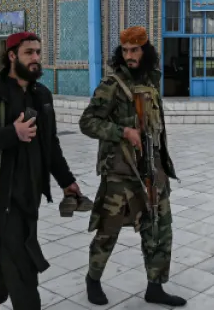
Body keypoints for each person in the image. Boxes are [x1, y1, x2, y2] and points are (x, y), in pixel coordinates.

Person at [0, 31, 88, 310]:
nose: (36, 59)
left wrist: (67, 183)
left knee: (5, 257)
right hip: (2, 199)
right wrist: (11, 133)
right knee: (23, 268)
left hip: (31, 197)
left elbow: (50, 145)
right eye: (29, 53)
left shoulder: (42, 95)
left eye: (39, 52)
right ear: (12, 55)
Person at [79, 26, 186, 307]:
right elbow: (87, 122)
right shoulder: (112, 84)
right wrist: (122, 132)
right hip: (120, 172)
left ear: (145, 51)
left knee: (160, 230)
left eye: (135, 50)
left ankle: (155, 286)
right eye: (125, 51)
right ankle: (93, 279)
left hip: (153, 169)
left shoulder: (151, 81)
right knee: (108, 230)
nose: (130, 56)